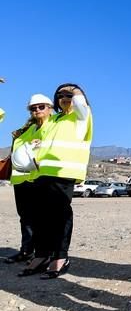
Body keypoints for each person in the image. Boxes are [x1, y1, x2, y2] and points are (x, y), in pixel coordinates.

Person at [20, 85, 93, 278]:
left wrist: (75, 92)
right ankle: (42, 255)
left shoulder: (80, 116)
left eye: (69, 94)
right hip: (41, 173)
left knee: (59, 217)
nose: (65, 97)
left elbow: (79, 104)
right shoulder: (54, 119)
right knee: (40, 218)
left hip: (63, 172)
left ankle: (60, 257)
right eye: (60, 95)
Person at [5, 95, 53, 265]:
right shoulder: (26, 130)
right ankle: (26, 250)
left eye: (41, 107)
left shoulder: (53, 126)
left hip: (39, 179)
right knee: (25, 217)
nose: (37, 110)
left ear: (50, 108)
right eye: (33, 108)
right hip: (21, 179)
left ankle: (44, 253)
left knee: (42, 217)